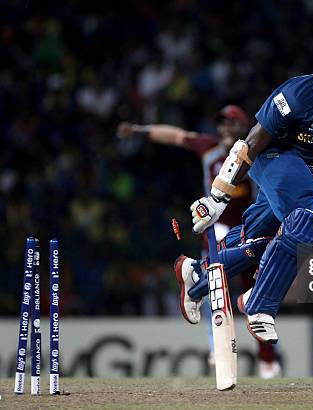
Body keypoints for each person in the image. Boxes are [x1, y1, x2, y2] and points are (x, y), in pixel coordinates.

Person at [178, 39, 313, 344]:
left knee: (264, 242)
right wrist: (219, 195)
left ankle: (195, 277)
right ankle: (258, 304)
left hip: (308, 169)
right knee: (310, 224)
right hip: (273, 156)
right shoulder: (299, 93)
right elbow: (252, 142)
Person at [116, 105, 282, 378]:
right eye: (222, 124)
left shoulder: (257, 149)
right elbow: (176, 136)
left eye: (232, 124)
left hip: (250, 231)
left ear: (245, 128)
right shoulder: (209, 148)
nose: (226, 129)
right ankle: (217, 346)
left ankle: (267, 361)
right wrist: (139, 130)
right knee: (215, 287)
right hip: (217, 232)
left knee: (258, 297)